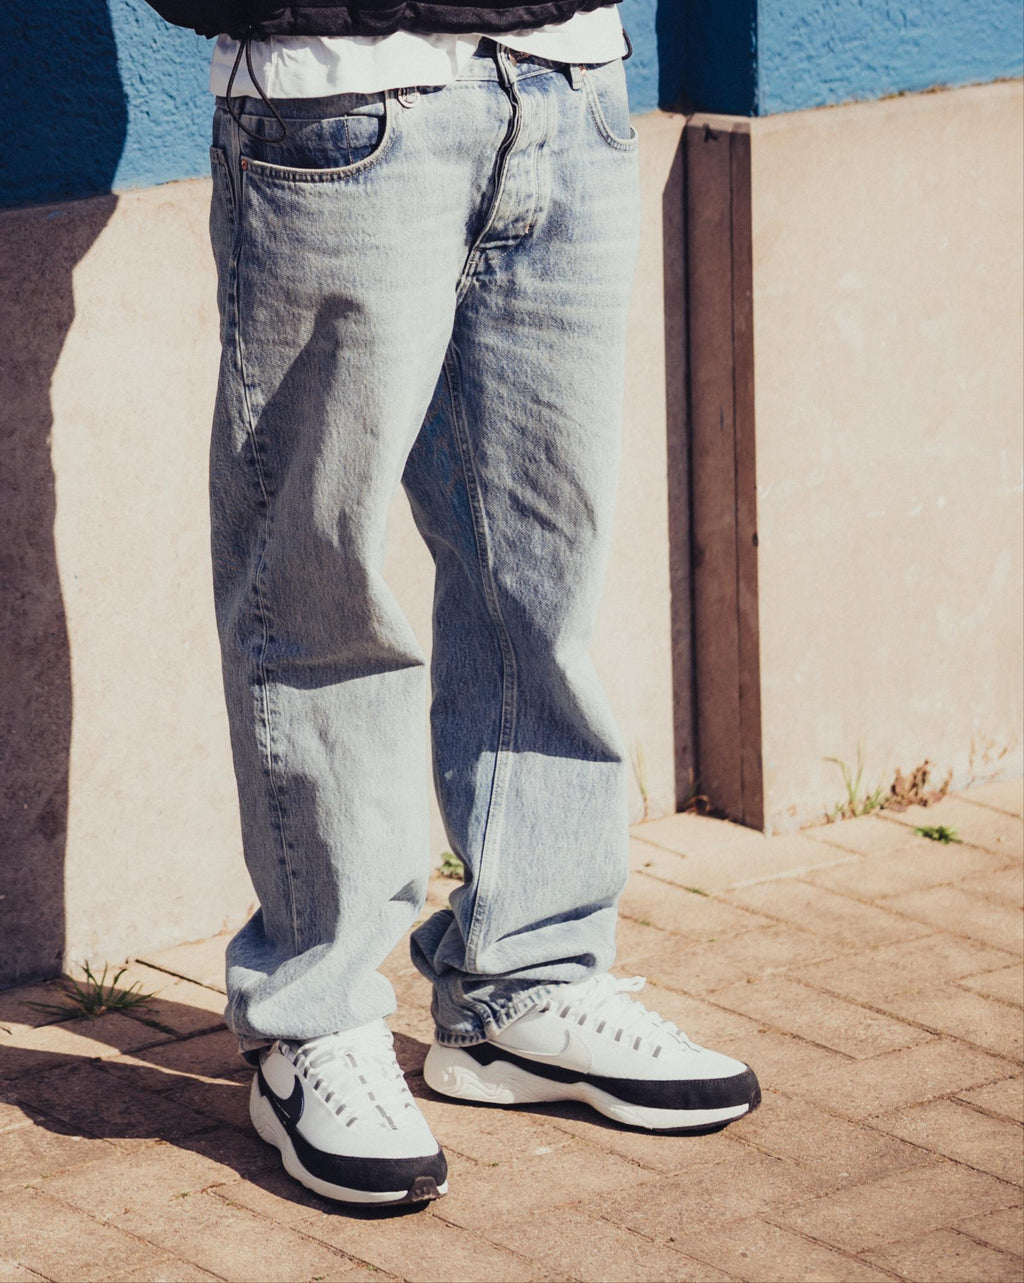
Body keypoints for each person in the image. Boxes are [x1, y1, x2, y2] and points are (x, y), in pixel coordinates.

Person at [167, 0, 761, 1207]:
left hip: (565, 71)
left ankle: (523, 979)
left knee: (541, 577)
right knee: (318, 578)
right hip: (339, 84)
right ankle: (310, 1017)